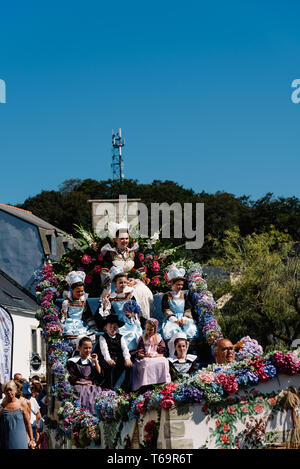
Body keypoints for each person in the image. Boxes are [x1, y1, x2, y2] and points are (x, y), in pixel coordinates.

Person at [100, 223, 154, 319]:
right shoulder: (110, 254)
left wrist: (135, 280)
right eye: (121, 238)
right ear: (115, 240)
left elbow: (140, 270)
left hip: (131, 281)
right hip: (116, 283)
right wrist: (116, 281)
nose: (124, 241)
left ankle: (141, 318)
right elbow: (104, 272)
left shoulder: (132, 253)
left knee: (143, 291)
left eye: (126, 238)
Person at [99, 268, 143, 351]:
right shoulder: (111, 297)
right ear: (115, 284)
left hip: (129, 321)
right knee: (121, 333)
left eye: (125, 282)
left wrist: (133, 314)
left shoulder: (130, 295)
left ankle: (133, 352)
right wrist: (105, 303)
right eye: (120, 282)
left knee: (134, 332)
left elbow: (137, 310)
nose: (123, 284)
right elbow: (106, 313)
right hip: (118, 322)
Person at [132, 318, 171, 392]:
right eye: (147, 329)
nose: (148, 331)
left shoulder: (158, 338)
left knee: (164, 361)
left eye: (151, 330)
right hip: (145, 356)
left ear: (155, 329)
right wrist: (145, 354)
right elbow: (139, 351)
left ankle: (161, 382)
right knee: (146, 362)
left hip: (156, 355)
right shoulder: (142, 338)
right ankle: (146, 384)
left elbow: (163, 351)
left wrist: (158, 355)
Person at [66, 336, 103, 415]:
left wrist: (96, 362)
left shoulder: (91, 361)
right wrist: (83, 383)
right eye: (85, 348)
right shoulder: (73, 361)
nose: (88, 350)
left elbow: (99, 373)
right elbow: (71, 378)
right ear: (79, 348)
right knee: (82, 393)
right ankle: (84, 414)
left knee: (97, 393)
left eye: (90, 348)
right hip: (79, 383)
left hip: (91, 383)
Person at [96, 314, 132, 392]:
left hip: (118, 358)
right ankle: (109, 388)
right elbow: (104, 350)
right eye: (110, 327)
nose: (113, 329)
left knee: (129, 366)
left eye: (115, 327)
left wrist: (127, 358)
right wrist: (108, 359)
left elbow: (125, 349)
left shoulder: (120, 337)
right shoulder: (103, 337)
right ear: (106, 327)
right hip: (107, 358)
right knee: (110, 366)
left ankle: (126, 388)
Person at [161, 267, 199, 341]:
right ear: (172, 283)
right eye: (178, 284)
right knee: (172, 330)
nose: (180, 287)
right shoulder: (167, 296)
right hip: (172, 319)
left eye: (181, 285)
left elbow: (188, 308)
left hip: (183, 318)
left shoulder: (184, 295)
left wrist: (184, 319)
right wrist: (175, 320)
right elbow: (166, 309)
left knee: (190, 329)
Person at [61, 271, 96, 340]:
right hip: (69, 323)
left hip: (80, 324)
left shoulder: (83, 301)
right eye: (78, 291)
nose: (80, 293)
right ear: (72, 290)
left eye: (81, 291)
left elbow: (86, 314)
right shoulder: (67, 302)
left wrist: (92, 325)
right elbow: (63, 317)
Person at [0, 380, 35, 449]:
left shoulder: (22, 404)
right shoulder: (3, 404)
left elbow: (28, 423)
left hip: (21, 439)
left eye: (10, 390)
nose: (9, 392)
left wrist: (31, 439)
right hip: (6, 439)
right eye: (6, 390)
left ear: (15, 391)